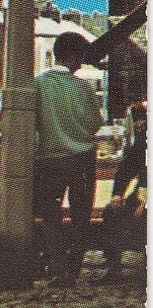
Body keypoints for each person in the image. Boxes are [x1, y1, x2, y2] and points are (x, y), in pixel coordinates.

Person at [33, 31, 104, 288]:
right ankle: (73, 268)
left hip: (49, 157)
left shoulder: (38, 84)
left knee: (50, 213)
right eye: (81, 58)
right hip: (82, 158)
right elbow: (96, 123)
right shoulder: (83, 87)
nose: (82, 63)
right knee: (80, 214)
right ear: (73, 57)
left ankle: (58, 265)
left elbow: (34, 124)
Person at [102, 100, 146, 281]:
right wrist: (117, 195)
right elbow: (127, 169)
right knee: (113, 213)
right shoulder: (145, 139)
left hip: (146, 196)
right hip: (144, 195)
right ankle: (114, 270)